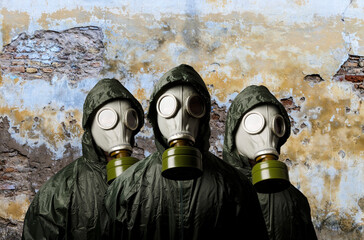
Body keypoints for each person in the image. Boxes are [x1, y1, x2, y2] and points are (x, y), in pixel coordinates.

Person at [105, 64, 269, 240]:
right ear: (156, 116)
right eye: (168, 106)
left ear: (204, 116)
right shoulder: (126, 186)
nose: (181, 118)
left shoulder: (235, 185)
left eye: (194, 106)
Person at [22, 78, 144, 240]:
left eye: (128, 119)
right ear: (91, 125)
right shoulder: (59, 192)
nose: (120, 129)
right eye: (107, 119)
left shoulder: (150, 182)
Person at [223, 85, 317, 240]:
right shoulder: (219, 191)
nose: (267, 135)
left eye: (275, 124)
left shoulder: (295, 200)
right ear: (234, 131)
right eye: (254, 124)